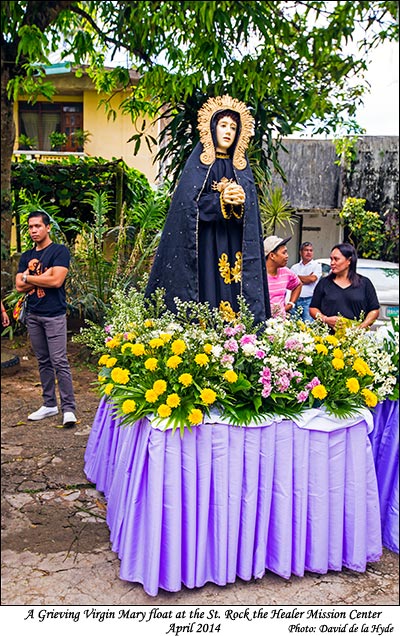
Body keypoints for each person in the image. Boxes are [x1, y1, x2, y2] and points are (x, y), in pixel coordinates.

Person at [145, 95, 270, 324]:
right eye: (223, 125)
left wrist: (241, 203)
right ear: (211, 128)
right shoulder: (198, 167)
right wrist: (219, 201)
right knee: (207, 285)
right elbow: (187, 208)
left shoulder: (242, 170)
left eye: (233, 127)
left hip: (233, 242)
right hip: (205, 244)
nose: (228, 131)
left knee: (236, 289)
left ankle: (238, 334)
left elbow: (251, 219)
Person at [15, 211, 77, 427]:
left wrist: (28, 277)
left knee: (60, 361)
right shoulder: (25, 256)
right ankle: (49, 404)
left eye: (38, 226)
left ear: (48, 227)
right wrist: (43, 276)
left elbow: (57, 281)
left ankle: (69, 409)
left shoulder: (59, 251)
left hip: (54, 315)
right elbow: (19, 286)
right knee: (43, 361)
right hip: (33, 315)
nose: (34, 230)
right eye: (31, 227)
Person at [309, 242, 380, 330]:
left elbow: (374, 310)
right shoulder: (324, 283)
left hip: (356, 338)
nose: (332, 263)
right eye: (331, 259)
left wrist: (360, 328)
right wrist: (325, 319)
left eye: (336, 259)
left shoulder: (364, 283)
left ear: (349, 261)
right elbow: (313, 308)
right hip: (327, 338)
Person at [264, 235, 302, 318]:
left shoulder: (286, 272)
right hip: (262, 324)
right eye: (284, 253)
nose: (287, 256)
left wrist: (291, 304)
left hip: (280, 325)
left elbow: (298, 284)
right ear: (272, 256)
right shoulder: (260, 275)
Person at [290, 241, 322, 321]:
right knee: (293, 325)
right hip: (295, 300)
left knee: (307, 325)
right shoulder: (294, 267)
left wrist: (297, 278)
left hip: (309, 300)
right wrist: (307, 278)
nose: (309, 252)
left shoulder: (316, 266)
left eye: (311, 250)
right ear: (300, 252)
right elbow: (291, 282)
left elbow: (312, 279)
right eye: (306, 250)